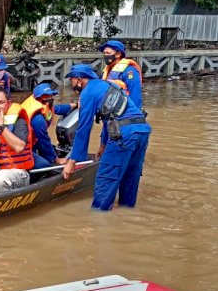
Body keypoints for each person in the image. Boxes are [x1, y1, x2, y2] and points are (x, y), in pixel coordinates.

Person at [61, 64, 151, 211]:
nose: (71, 85)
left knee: (107, 177)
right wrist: (103, 145)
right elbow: (109, 117)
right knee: (130, 176)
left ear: (79, 79)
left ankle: (98, 218)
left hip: (124, 134)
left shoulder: (87, 93)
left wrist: (72, 161)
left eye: (71, 81)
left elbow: (83, 128)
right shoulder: (108, 85)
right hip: (142, 129)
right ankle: (126, 213)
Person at [21, 83, 67, 169]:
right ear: (38, 99)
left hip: (32, 142)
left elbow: (57, 109)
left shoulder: (42, 107)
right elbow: (44, 139)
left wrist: (73, 105)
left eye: (50, 96)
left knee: (53, 149)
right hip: (23, 147)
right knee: (44, 165)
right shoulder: (37, 119)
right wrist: (55, 159)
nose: (49, 99)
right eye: (45, 97)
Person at [99, 40, 144, 109]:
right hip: (110, 111)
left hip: (125, 113)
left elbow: (135, 95)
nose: (105, 56)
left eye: (108, 53)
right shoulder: (107, 70)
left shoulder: (129, 71)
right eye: (104, 53)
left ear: (118, 54)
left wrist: (134, 115)